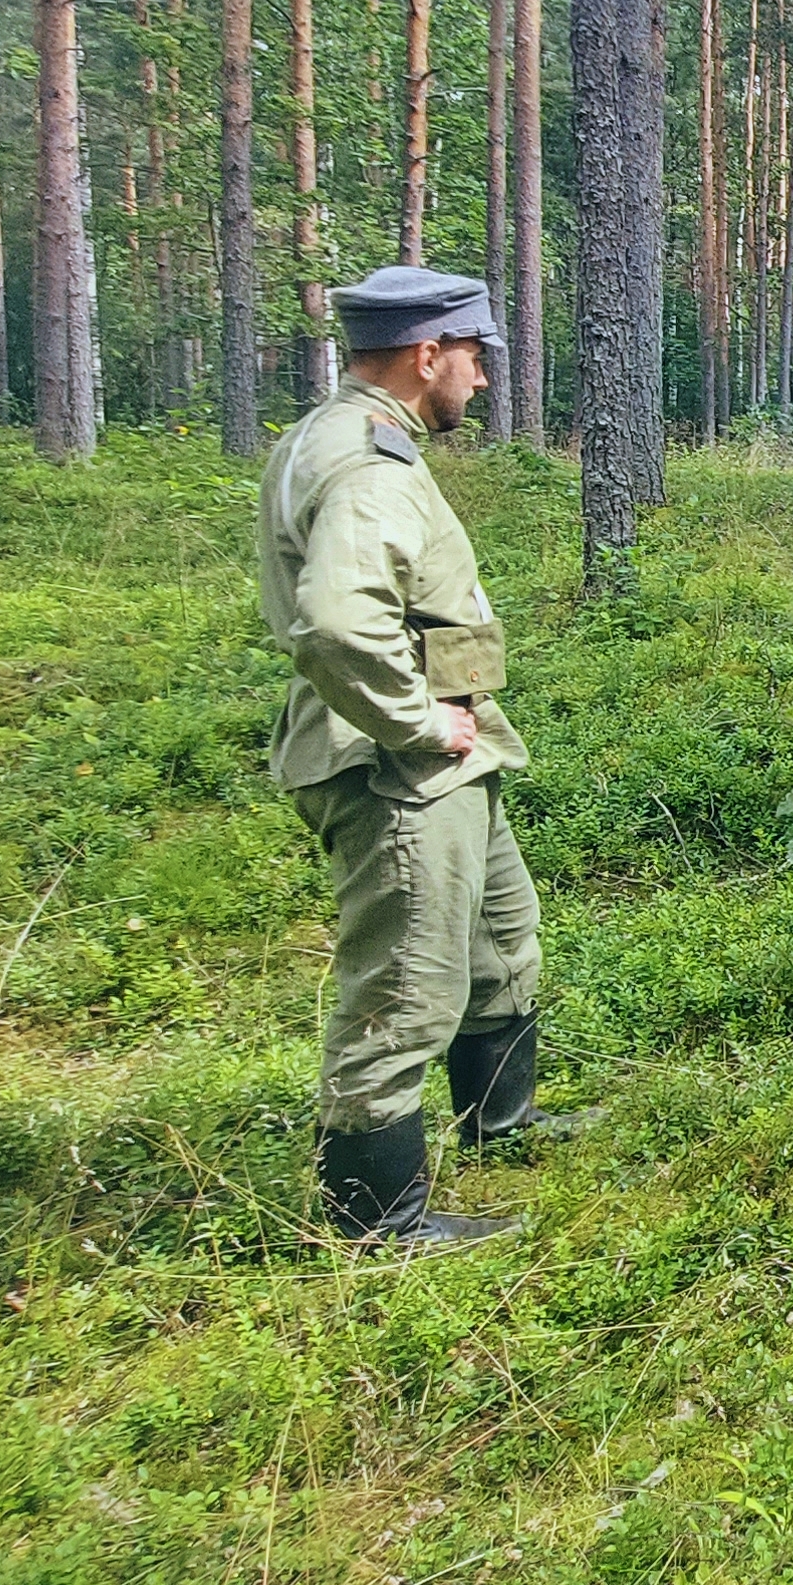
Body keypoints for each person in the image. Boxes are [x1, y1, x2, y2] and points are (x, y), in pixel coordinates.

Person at [260, 266, 576, 1250]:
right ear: (425, 354)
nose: (480, 381)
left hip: (446, 764)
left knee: (499, 940)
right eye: (473, 358)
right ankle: (377, 1225)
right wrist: (415, 720)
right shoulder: (366, 463)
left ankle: (499, 1122)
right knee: (403, 987)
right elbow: (336, 624)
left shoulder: (352, 434)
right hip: (399, 769)